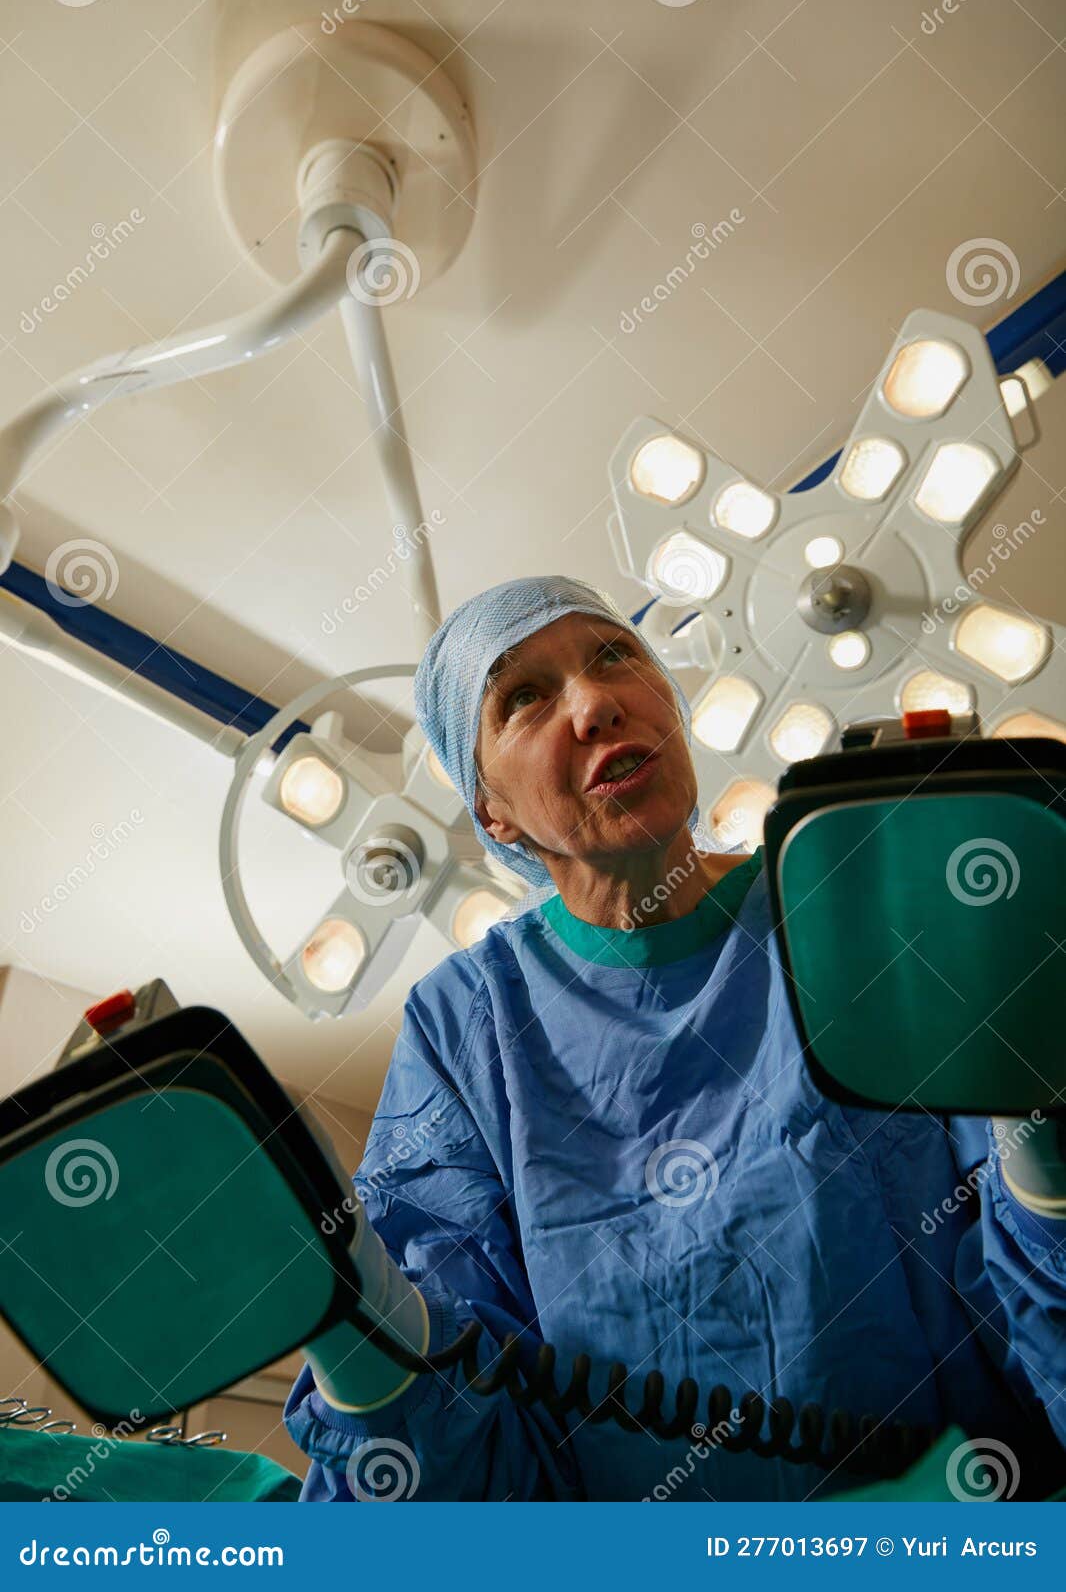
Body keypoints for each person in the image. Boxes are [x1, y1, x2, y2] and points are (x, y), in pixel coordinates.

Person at [284, 574, 1066, 1501]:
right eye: (523, 698)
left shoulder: (851, 896)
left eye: (615, 656)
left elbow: (1031, 1242)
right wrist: (342, 1312)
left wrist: (1046, 1137)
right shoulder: (471, 1022)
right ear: (491, 813)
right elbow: (453, 1403)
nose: (594, 702)